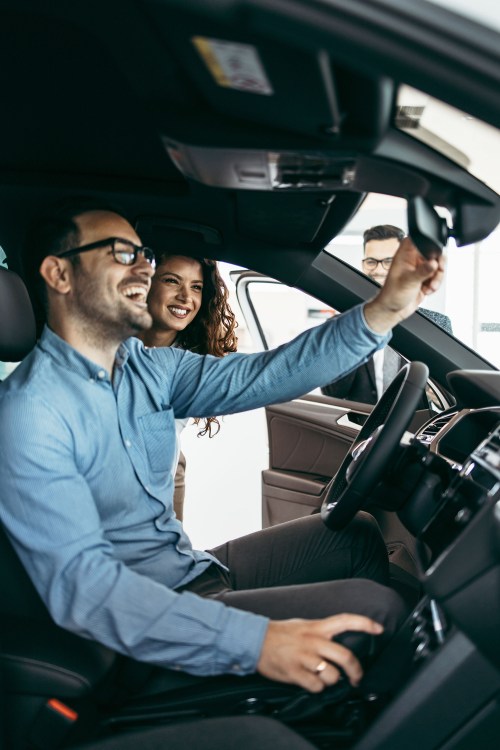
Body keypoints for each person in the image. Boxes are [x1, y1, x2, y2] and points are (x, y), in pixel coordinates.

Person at [0, 198, 444, 700]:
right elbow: (90, 592)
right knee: (373, 613)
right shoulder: (31, 414)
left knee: (355, 535)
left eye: (144, 253)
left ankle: (333, 708)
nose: (146, 265)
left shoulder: (151, 369)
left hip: (190, 571)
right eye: (122, 253)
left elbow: (270, 373)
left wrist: (387, 305)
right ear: (59, 274)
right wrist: (258, 642)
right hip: (142, 629)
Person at [138, 254, 238, 520]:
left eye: (196, 287)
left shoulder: (190, 364)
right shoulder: (107, 343)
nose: (186, 297)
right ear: (145, 283)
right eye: (172, 281)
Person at [322, 224, 452, 403]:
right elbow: (332, 391)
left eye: (389, 261)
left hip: (416, 426)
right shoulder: (343, 322)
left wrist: (436, 394)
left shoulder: (436, 324)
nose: (379, 270)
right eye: (371, 261)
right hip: (360, 426)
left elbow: (449, 393)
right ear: (363, 264)